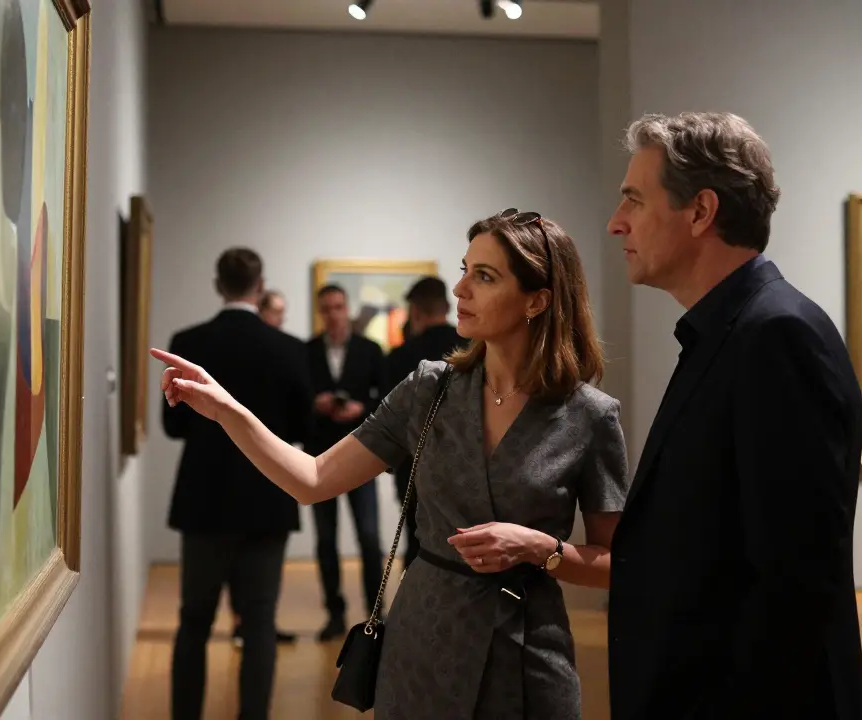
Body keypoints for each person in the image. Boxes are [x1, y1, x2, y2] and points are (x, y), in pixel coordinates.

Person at [152, 208, 629, 719]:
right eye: (464, 268)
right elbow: (312, 480)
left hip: (525, 647)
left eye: (484, 276)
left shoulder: (589, 417)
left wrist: (542, 548)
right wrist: (228, 409)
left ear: (538, 300)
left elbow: (617, 565)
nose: (459, 289)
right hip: (424, 638)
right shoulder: (430, 388)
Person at [605, 112, 862, 719]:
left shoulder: (775, 336)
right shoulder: (733, 331)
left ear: (700, 212)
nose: (618, 224)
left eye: (635, 202)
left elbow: (794, 582)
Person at [160, 248, 312, 720]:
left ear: (217, 284)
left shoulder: (187, 342)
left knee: (194, 621)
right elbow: (300, 426)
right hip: (267, 498)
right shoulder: (289, 348)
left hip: (204, 501)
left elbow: (174, 427)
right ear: (260, 285)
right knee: (261, 622)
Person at [305, 285, 388, 640]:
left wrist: (361, 409)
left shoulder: (370, 351)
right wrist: (316, 403)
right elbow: (298, 398)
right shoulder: (306, 351)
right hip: (318, 458)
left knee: (369, 538)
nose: (334, 314)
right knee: (326, 541)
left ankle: (375, 613)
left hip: (360, 455)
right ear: (320, 311)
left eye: (338, 307)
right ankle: (334, 614)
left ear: (347, 308)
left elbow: (387, 399)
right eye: (327, 308)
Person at [383, 275, 469, 568]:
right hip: (468, 464)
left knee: (417, 542)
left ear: (415, 311)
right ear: (448, 305)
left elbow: (391, 420)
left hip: (414, 465)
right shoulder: (474, 349)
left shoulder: (400, 356)